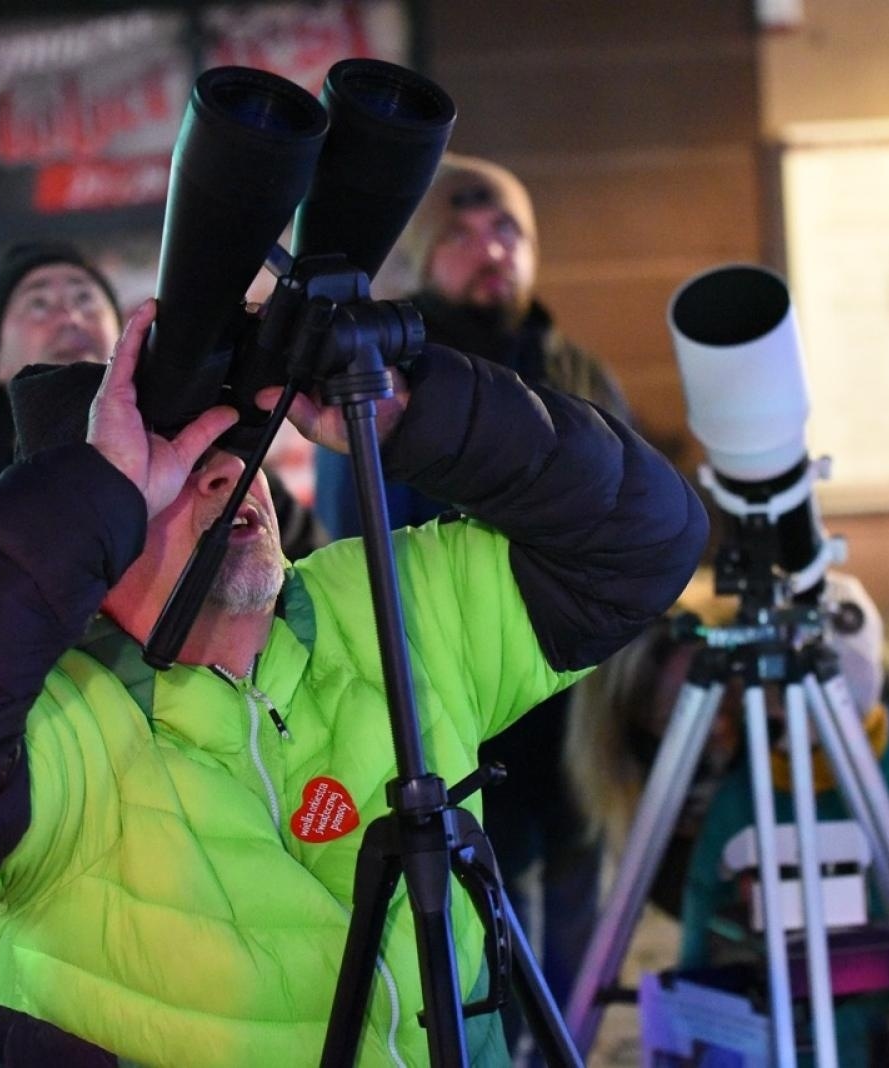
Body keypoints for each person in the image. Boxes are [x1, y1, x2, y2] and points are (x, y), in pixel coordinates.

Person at [0, 291, 707, 1065]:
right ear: (99, 536)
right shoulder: (61, 731)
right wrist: (88, 493)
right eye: (176, 465)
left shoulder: (387, 602)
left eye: (239, 442)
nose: (225, 473)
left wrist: (408, 410)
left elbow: (644, 543)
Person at [0, 241, 329, 1026]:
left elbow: (307, 600)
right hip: (19, 874)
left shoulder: (220, 466)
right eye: (38, 303)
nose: (68, 316)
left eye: (85, 299)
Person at [315, 155, 629, 1050]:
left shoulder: (579, 371)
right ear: (421, 256)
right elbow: (361, 554)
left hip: (578, 705)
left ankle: (566, 1040)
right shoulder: (391, 382)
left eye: (509, 232)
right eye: (461, 233)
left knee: (577, 906)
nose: (491, 250)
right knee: (492, 920)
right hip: (467, 711)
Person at [569, 570, 889, 1067]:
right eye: (678, 720)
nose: (716, 728)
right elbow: (697, 925)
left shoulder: (846, 697)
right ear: (642, 741)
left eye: (723, 705)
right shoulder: (687, 806)